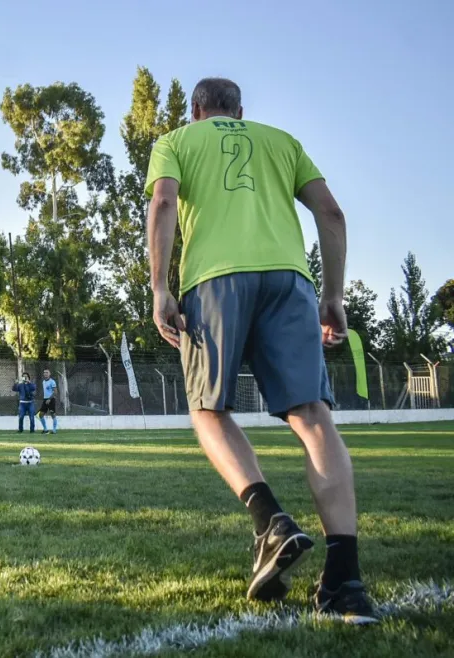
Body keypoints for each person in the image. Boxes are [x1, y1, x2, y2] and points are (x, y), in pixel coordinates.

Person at [145, 77, 376, 623]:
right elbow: (332, 214)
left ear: (195, 109)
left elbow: (163, 200)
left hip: (215, 280)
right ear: (241, 111)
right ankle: (345, 580)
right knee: (313, 415)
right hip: (289, 280)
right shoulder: (281, 141)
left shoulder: (176, 140)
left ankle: (270, 521)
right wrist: (333, 296)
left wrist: (159, 287)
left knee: (207, 410)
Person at [38, 369, 58, 434]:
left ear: (49, 374)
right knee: (41, 414)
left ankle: (54, 430)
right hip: (45, 400)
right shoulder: (43, 382)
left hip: (51, 400)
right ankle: (45, 429)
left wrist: (49, 399)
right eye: (44, 372)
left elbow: (55, 392)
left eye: (47, 372)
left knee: (53, 414)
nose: (45, 374)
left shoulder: (52, 382)